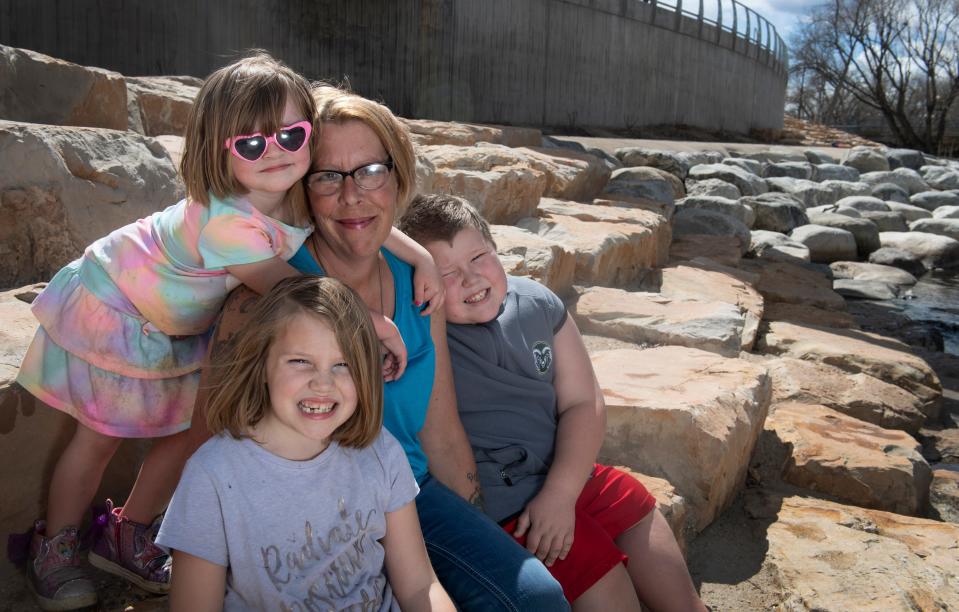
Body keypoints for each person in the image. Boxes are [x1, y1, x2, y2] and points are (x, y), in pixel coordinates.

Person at [15, 53, 439, 611]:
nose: (278, 153)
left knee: (187, 434)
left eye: (292, 135)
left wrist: (419, 254)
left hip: (173, 323)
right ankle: (59, 544)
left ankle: (128, 530)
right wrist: (371, 321)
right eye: (253, 144)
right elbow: (291, 288)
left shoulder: (290, 192)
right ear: (219, 147)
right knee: (97, 440)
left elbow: (367, 218)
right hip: (118, 308)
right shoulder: (227, 221)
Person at [199, 83, 569, 610]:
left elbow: (441, 433)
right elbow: (216, 441)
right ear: (302, 187)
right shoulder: (268, 290)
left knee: (534, 598)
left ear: (397, 180)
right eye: (328, 176)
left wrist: (481, 535)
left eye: (371, 171)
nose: (353, 196)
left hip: (411, 498)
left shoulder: (422, 284)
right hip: (304, 519)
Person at [398, 194, 708, 612]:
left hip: (563, 471)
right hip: (510, 505)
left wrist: (563, 491)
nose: (471, 279)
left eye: (479, 258)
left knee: (629, 498)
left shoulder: (537, 303)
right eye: (448, 273)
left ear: (496, 247)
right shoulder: (428, 336)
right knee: (589, 561)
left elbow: (583, 402)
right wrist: (552, 504)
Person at [156, 276, 455, 611]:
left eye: (343, 365)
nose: (323, 383)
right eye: (300, 361)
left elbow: (419, 586)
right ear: (261, 363)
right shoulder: (212, 476)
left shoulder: (380, 450)